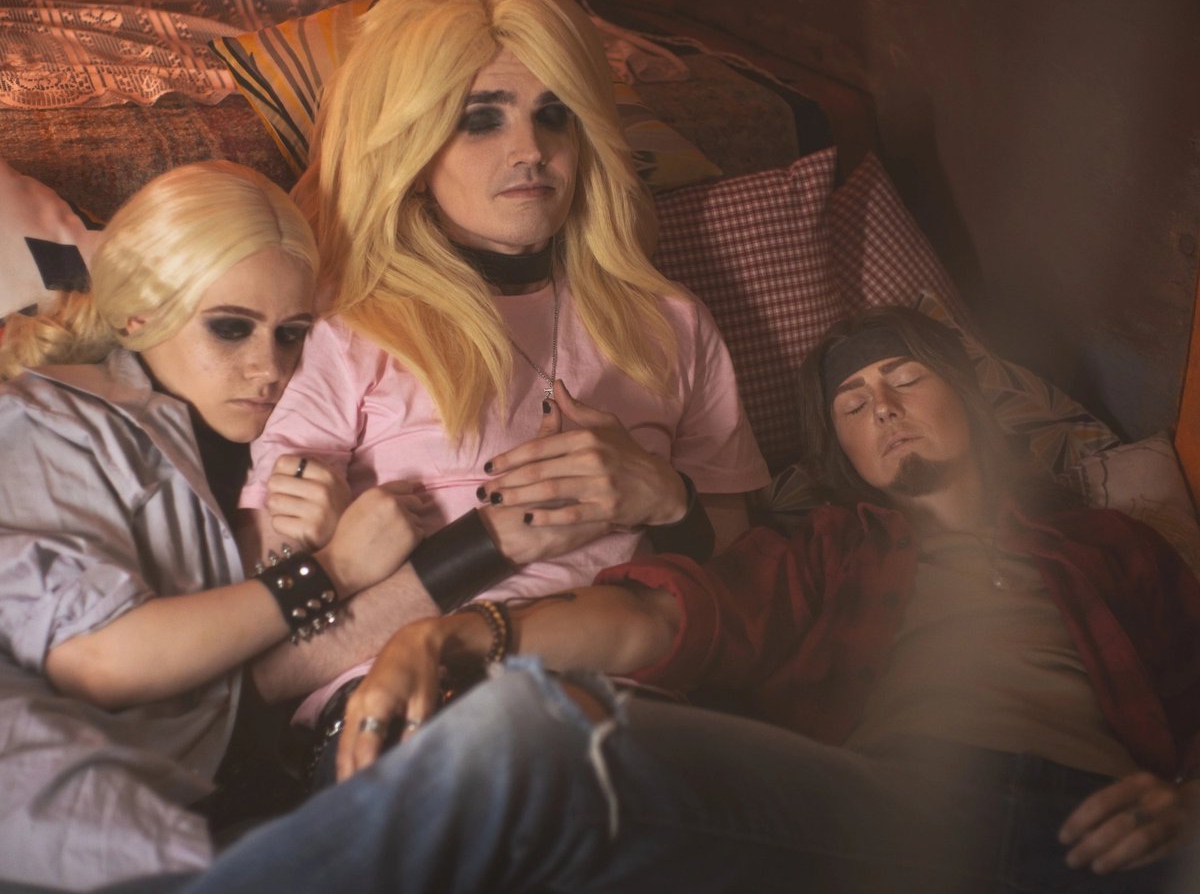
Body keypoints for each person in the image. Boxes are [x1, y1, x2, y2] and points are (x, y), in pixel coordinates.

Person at [134, 304, 1200, 894]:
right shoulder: (830, 549)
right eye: (851, 400)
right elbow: (665, 616)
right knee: (527, 732)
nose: (882, 408)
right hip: (891, 818)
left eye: (906, 380)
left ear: (968, 391)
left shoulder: (1117, 547)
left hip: (1113, 832)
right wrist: (462, 633)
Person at [238, 0, 769, 742]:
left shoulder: (672, 322)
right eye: (482, 119)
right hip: (412, 715)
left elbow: (745, 578)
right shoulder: (342, 330)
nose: (530, 150)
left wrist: (669, 500)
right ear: (414, 152)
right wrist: (481, 547)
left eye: (555, 116)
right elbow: (269, 669)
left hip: (627, 701)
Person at [0, 161, 422, 891]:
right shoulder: (46, 419)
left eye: (291, 335)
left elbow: (248, 674)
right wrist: (334, 569)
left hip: (215, 800)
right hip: (63, 811)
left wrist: (310, 542)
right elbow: (98, 660)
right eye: (230, 328)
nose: (269, 368)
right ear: (140, 314)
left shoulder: (275, 443)